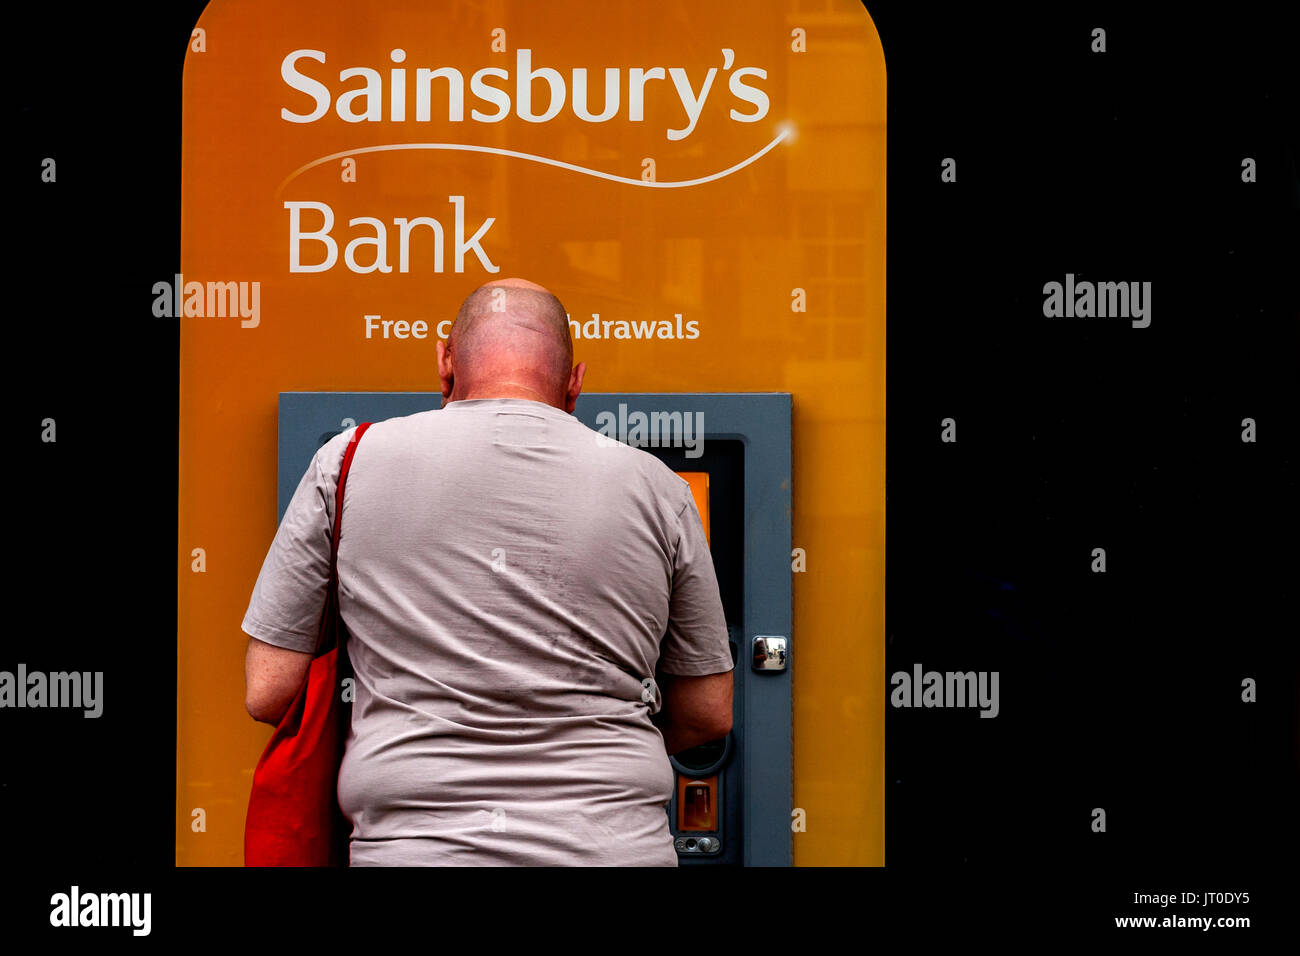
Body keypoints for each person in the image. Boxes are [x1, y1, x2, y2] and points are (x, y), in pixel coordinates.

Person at [241, 278, 734, 866]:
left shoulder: (348, 462)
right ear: (575, 382)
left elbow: (270, 690)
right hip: (613, 848)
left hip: (414, 851)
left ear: (445, 363)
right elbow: (707, 711)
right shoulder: (661, 490)